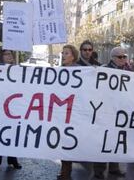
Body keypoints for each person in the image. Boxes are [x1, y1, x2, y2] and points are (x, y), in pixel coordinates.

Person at [94, 47, 128, 179]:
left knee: (115, 140)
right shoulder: (104, 69)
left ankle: (114, 168)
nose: (123, 59)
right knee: (103, 141)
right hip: (106, 111)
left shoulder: (127, 71)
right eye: (120, 57)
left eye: (124, 56)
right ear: (113, 58)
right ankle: (98, 171)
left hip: (120, 112)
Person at [0, 49, 22, 171]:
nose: (9, 56)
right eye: (6, 54)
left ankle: (12, 159)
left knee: (13, 133)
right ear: (1, 56)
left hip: (13, 106)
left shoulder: (18, 69)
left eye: (10, 54)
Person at [57, 45, 80, 180]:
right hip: (61, 112)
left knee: (68, 141)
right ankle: (64, 169)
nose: (63, 55)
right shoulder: (60, 71)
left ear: (73, 56)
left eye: (66, 53)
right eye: (62, 53)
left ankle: (66, 172)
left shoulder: (80, 71)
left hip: (73, 113)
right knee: (62, 141)